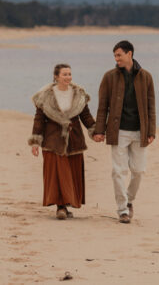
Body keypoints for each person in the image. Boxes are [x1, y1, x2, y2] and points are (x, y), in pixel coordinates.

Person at [93, 40, 156, 224]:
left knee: (139, 171)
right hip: (118, 131)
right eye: (114, 55)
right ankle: (122, 210)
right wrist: (99, 130)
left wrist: (151, 130)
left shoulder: (146, 77)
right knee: (118, 171)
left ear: (130, 54)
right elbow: (102, 106)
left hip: (140, 131)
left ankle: (129, 200)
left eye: (119, 55)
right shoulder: (109, 77)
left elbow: (151, 106)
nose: (116, 59)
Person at [28, 63, 95, 219]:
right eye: (64, 74)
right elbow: (39, 120)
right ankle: (61, 207)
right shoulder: (45, 96)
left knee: (71, 173)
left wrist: (95, 131)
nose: (68, 77)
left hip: (74, 139)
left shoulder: (79, 94)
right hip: (53, 140)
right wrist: (35, 142)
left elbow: (86, 116)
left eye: (70, 74)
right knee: (58, 174)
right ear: (56, 76)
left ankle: (66, 205)